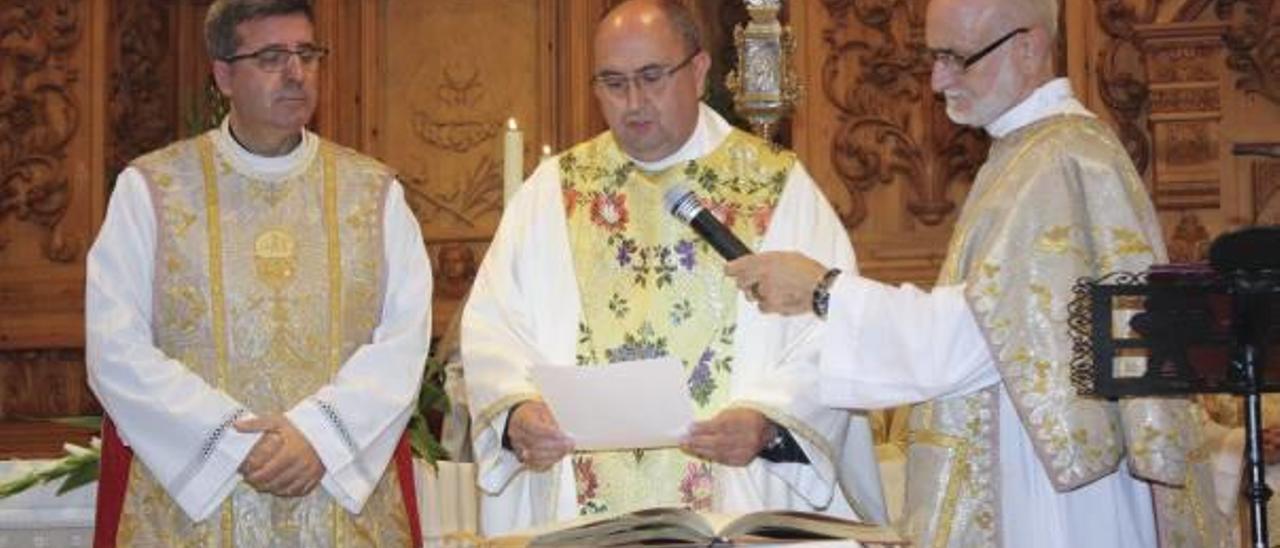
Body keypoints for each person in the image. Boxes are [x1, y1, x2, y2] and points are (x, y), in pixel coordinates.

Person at [725, 0, 1234, 546]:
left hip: (1050, 495)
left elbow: (976, 340)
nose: (938, 78)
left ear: (1029, 46)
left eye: (957, 57)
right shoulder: (1035, 152)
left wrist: (823, 291)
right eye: (935, 56)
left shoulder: (1056, 163)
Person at [462, 0, 885, 535]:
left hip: (733, 500)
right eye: (613, 83)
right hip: (580, 509)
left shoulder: (775, 186)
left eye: (652, 77)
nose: (634, 102)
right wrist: (517, 413)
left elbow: (832, 328)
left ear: (700, 70)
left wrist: (767, 423)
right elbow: (491, 327)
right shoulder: (552, 191)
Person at [85, 0, 432, 545]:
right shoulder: (152, 191)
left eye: (307, 53)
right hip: (196, 511)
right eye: (271, 56)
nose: (296, 72)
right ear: (223, 74)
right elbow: (115, 350)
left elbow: (404, 341)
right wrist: (232, 442)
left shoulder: (374, 195)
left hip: (334, 498)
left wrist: (319, 436)